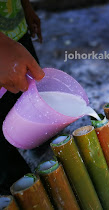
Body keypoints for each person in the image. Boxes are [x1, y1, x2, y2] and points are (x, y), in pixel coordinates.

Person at [0, 0, 44, 194]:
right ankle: (16, 186)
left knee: (30, 97)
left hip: (15, 29)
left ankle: (37, 143)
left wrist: (25, 6)